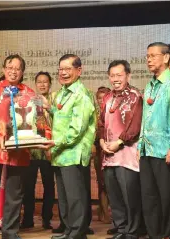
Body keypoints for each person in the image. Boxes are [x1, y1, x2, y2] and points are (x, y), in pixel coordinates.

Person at [0, 54, 44, 239]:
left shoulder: (30, 93)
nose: (13, 71)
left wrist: (42, 133)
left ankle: (10, 231)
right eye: (10, 67)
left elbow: (38, 117)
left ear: (22, 72)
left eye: (17, 68)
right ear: (4, 69)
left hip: (19, 150)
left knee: (15, 193)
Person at [138, 42, 170, 239]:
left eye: (153, 55)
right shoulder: (150, 84)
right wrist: (140, 145)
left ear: (166, 57)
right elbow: (146, 118)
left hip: (165, 151)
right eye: (147, 56)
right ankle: (155, 234)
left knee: (169, 199)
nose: (149, 59)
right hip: (147, 151)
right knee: (149, 199)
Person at [45, 54, 96, 239]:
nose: (64, 73)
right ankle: (69, 230)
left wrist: (54, 143)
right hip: (60, 153)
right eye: (61, 69)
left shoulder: (81, 95)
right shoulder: (63, 93)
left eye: (68, 69)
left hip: (73, 153)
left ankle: (77, 232)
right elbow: (61, 117)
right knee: (65, 197)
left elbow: (76, 130)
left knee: (75, 197)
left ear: (78, 71)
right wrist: (48, 108)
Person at [99, 60, 143, 239]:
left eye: (119, 75)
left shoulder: (135, 96)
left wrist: (119, 142)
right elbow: (101, 122)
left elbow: (135, 126)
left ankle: (133, 230)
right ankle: (121, 228)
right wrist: (102, 141)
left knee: (129, 195)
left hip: (127, 154)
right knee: (114, 195)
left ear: (128, 75)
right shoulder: (107, 97)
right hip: (108, 155)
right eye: (112, 75)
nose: (115, 79)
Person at [21, 71, 55, 230]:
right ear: (35, 84)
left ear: (50, 84)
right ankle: (27, 218)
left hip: (49, 150)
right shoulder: (29, 102)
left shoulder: (54, 100)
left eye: (45, 82)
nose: (42, 84)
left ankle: (47, 219)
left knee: (49, 186)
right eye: (39, 81)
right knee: (28, 186)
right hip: (32, 151)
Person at [94, 86, 111, 224]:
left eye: (104, 97)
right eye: (99, 98)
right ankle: (104, 214)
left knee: (111, 184)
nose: (101, 100)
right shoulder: (94, 114)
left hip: (112, 151)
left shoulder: (112, 112)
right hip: (98, 153)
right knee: (102, 185)